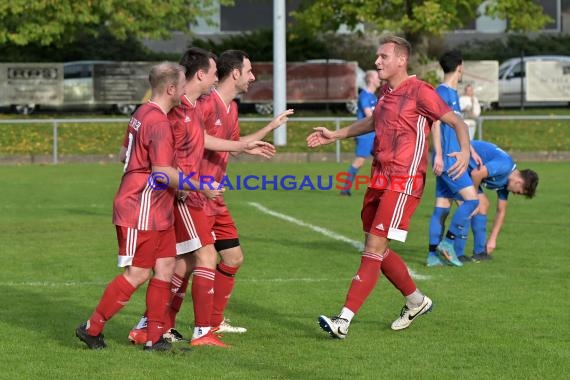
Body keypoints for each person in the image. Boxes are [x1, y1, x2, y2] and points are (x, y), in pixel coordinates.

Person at [306, 35, 471, 339]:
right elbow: (372, 123)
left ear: (401, 60)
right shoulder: (385, 92)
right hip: (379, 177)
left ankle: (343, 320)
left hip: (404, 180)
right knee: (377, 249)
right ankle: (416, 301)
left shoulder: (421, 92)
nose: (377, 62)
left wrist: (463, 150)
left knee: (373, 247)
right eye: (378, 56)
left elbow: (457, 122)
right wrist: (336, 134)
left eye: (383, 57)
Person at [126, 48, 277, 348]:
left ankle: (152, 326)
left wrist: (254, 140)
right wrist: (181, 181)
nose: (213, 78)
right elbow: (155, 148)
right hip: (186, 195)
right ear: (201, 75)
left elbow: (211, 142)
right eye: (248, 70)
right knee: (196, 259)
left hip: (203, 194)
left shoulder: (194, 106)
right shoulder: (178, 107)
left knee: (183, 264)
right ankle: (200, 331)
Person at [75, 62, 224, 351]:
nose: (185, 89)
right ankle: (92, 328)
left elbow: (124, 154)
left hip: (157, 206)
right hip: (141, 207)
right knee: (139, 273)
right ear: (171, 89)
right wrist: (201, 185)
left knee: (166, 266)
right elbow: (161, 172)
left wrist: (175, 184)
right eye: (182, 84)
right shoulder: (157, 121)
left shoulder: (143, 112)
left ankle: (154, 337)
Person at [427, 50, 480, 267]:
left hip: (452, 156)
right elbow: (435, 123)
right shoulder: (442, 92)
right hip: (449, 159)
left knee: (442, 207)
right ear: (459, 66)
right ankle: (448, 244)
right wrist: (438, 154)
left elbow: (458, 128)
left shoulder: (451, 93)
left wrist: (470, 150)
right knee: (472, 201)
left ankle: (432, 256)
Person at [457, 140, 539, 261]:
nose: (516, 194)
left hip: (468, 171)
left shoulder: (508, 181)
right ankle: (457, 254)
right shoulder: (504, 166)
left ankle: (480, 253)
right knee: (471, 207)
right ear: (519, 182)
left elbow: (501, 211)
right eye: (519, 192)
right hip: (457, 161)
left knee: (483, 205)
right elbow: (476, 174)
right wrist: (472, 201)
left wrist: (492, 240)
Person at [340, 70, 381, 196]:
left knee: (383, 160)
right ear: (371, 80)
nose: (379, 78)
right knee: (360, 161)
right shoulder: (364, 96)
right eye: (377, 77)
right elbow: (369, 115)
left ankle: (380, 188)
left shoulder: (374, 97)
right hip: (365, 134)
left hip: (374, 134)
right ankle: (345, 188)